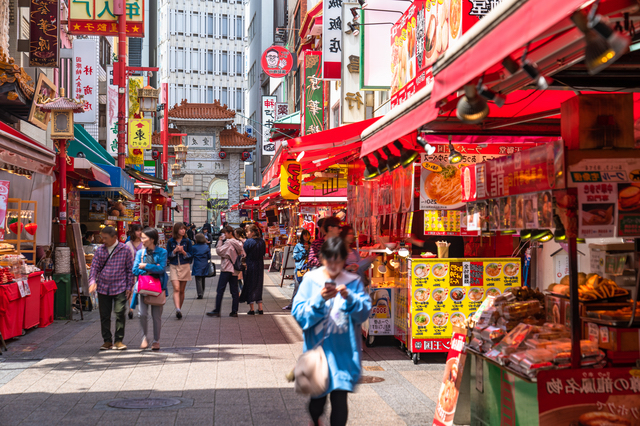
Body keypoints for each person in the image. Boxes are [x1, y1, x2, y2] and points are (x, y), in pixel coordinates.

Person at [292, 237, 371, 426]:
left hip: (344, 351)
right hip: (318, 351)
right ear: (322, 258)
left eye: (339, 260)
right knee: (317, 401)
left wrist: (350, 297)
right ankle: (315, 419)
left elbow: (364, 311)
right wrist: (319, 300)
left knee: (339, 399)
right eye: (330, 260)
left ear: (345, 260)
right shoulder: (311, 280)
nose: (334, 265)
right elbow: (299, 313)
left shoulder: (353, 281)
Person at [88, 226, 134, 351]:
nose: (103, 240)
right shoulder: (100, 250)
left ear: (115, 237)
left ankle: (119, 340)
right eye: (102, 238)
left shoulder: (125, 250)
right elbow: (94, 268)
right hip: (103, 287)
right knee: (104, 315)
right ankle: (107, 341)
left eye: (105, 238)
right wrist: (92, 282)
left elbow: (130, 270)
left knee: (120, 313)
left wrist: (129, 286)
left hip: (120, 286)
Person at [132, 227, 167, 351]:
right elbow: (135, 270)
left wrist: (146, 266)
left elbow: (162, 269)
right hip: (143, 287)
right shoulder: (140, 253)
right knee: (142, 314)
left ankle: (156, 340)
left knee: (156, 316)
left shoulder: (162, 252)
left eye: (144, 238)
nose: (141, 240)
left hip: (157, 287)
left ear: (152, 239)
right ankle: (144, 338)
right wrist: (153, 267)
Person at [207, 225, 245, 317]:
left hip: (227, 268)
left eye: (225, 233)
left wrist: (220, 241)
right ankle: (234, 311)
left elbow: (219, 251)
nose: (224, 235)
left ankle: (217, 310)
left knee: (220, 289)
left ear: (230, 233)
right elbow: (243, 254)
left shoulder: (228, 242)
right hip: (235, 269)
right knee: (234, 291)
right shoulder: (238, 242)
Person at [167, 222, 193, 319]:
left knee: (182, 290)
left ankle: (179, 309)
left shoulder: (187, 241)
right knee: (176, 288)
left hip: (184, 266)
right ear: (176, 230)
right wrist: (174, 251)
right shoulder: (170, 241)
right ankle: (177, 308)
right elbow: (168, 255)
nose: (183, 230)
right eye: (181, 229)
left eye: (184, 229)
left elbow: (191, 256)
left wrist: (183, 252)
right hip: (174, 266)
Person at [239, 224, 266, 315]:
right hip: (259, 265)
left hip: (250, 265)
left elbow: (244, 254)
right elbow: (263, 253)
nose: (246, 233)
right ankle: (260, 308)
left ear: (252, 232)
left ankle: (252, 309)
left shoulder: (248, 242)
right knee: (258, 284)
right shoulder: (262, 241)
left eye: (248, 232)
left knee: (250, 284)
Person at [283, 229, 311, 311]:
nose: (307, 237)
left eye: (308, 235)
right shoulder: (298, 246)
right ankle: (291, 305)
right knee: (297, 287)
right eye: (305, 235)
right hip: (300, 269)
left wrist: (309, 249)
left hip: (310, 269)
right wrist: (304, 251)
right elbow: (295, 257)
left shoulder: (312, 245)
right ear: (302, 236)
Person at [125, 224, 143, 319]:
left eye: (141, 231)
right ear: (133, 232)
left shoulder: (144, 243)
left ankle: (141, 310)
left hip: (142, 270)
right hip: (131, 270)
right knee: (131, 290)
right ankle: (131, 310)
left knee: (141, 289)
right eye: (137, 231)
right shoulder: (128, 244)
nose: (139, 233)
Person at [191, 233, 212, 299]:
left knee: (198, 279)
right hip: (204, 263)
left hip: (197, 264)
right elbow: (209, 256)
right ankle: (202, 291)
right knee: (203, 278)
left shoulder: (194, 247)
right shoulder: (206, 246)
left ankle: (200, 293)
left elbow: (191, 255)